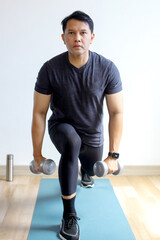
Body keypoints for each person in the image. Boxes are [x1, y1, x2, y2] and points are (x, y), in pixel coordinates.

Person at [31, 10, 123, 240]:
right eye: (71, 33)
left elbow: (116, 111)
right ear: (63, 37)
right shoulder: (50, 69)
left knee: (90, 168)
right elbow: (40, 112)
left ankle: (86, 173)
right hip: (62, 126)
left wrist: (113, 156)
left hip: (92, 133)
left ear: (92, 37)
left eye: (83, 33)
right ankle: (69, 216)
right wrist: (37, 155)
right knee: (72, 143)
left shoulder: (107, 68)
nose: (77, 38)